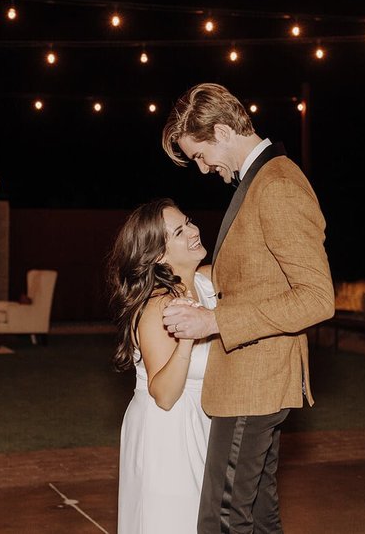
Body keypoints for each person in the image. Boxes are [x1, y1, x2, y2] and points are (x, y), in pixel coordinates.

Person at [160, 82, 335, 533]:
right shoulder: (259, 181)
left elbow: (317, 298)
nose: (202, 169)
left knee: (220, 518)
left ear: (221, 131)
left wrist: (213, 320)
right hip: (252, 380)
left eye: (200, 155)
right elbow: (251, 274)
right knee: (257, 514)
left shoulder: (276, 184)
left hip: (254, 382)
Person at [110, 197, 218, 533]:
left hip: (204, 422)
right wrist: (188, 336)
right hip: (167, 432)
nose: (193, 232)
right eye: (179, 232)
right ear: (158, 254)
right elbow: (165, 394)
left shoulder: (208, 281)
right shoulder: (157, 306)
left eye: (188, 221)